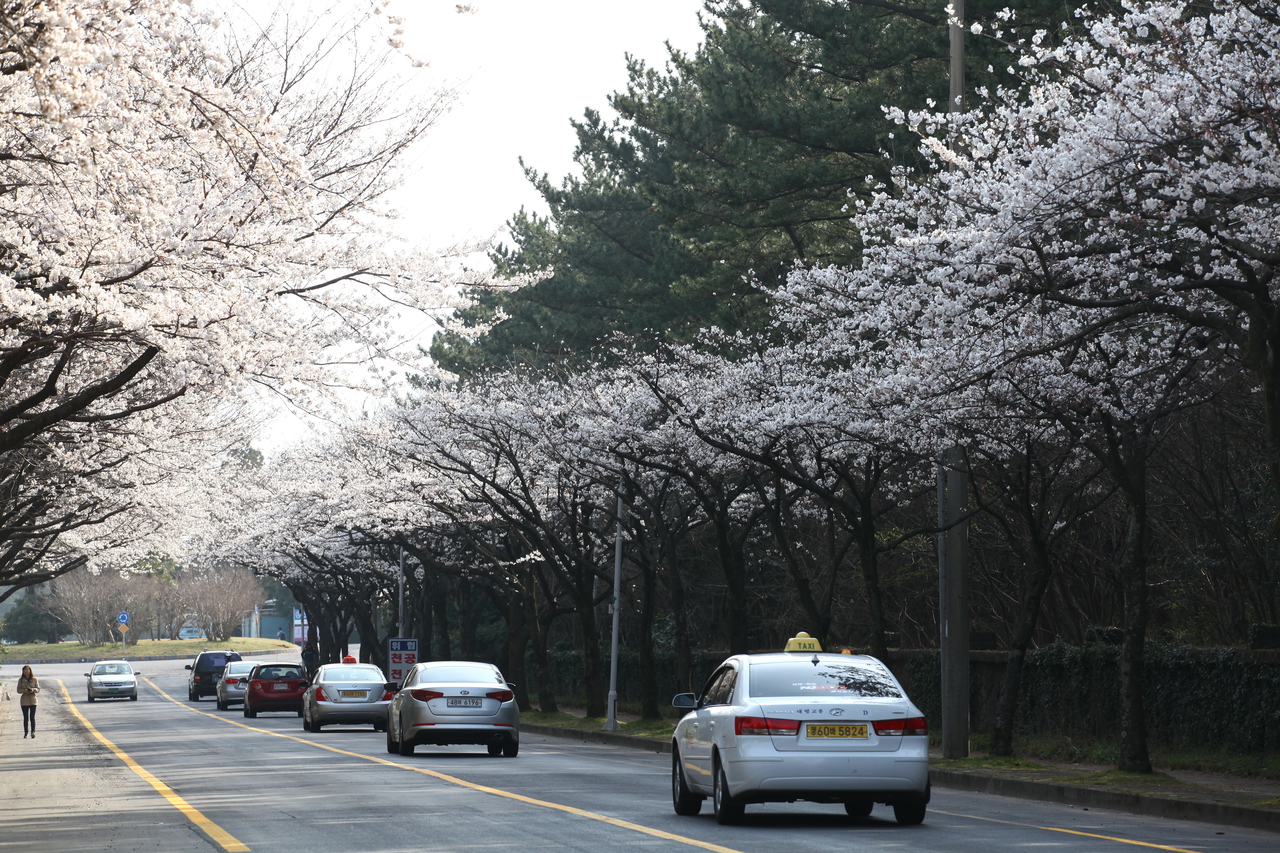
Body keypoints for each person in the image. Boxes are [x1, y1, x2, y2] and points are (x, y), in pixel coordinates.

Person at [17, 665, 39, 739]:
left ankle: (33, 732)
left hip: (33, 700)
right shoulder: (21, 680)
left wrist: (33, 690)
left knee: (32, 717)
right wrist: (25, 690)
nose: (26, 671)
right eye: (24, 670)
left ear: (30, 671)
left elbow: (38, 689)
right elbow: (18, 690)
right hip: (24, 701)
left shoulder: (34, 679)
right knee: (25, 718)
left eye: (27, 670)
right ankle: (26, 732)